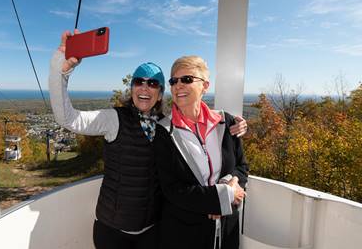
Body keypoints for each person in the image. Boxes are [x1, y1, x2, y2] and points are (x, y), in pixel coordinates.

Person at [49, 31, 248, 249]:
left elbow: (202, 131)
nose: (145, 87)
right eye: (138, 82)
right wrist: (61, 70)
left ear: (161, 92)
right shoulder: (114, 119)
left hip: (153, 231)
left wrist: (233, 123)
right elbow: (68, 118)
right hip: (114, 231)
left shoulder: (167, 126)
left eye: (153, 83)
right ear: (132, 88)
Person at [154, 55, 249, 249]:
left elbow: (242, 166)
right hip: (184, 235)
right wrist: (220, 198)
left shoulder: (226, 123)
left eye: (187, 79)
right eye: (174, 81)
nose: (178, 85)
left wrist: (228, 188)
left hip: (227, 230)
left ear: (205, 86)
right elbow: (171, 189)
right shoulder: (164, 132)